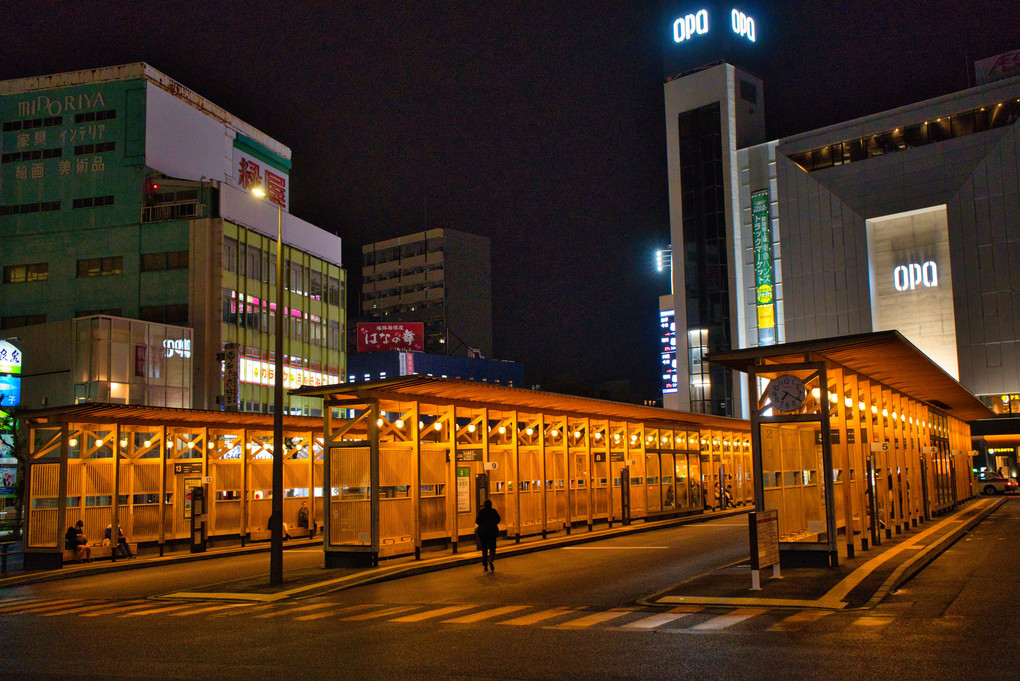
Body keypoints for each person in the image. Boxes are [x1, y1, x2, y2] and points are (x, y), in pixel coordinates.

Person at [474, 499, 501, 573]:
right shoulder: (494, 511)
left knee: (484, 549)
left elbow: (477, 521)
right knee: (492, 548)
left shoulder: (481, 512)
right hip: (492, 532)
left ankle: (485, 565)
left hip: (483, 533)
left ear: (484, 505)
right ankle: (491, 559)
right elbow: (498, 520)